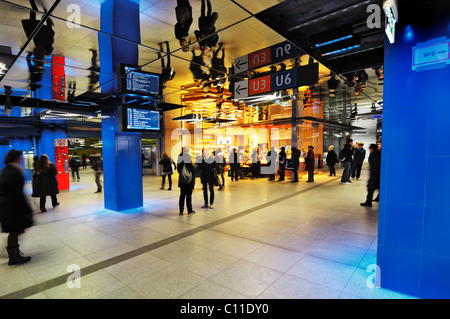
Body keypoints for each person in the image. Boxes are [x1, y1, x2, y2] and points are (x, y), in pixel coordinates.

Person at [0, 150, 34, 265]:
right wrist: (27, 209)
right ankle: (14, 257)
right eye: (20, 157)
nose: (21, 158)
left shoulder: (6, 169)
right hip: (12, 206)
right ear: (15, 158)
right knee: (15, 230)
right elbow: (17, 193)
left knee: (14, 230)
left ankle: (14, 254)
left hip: (7, 204)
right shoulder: (15, 171)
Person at [177, 147, 195, 215]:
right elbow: (190, 166)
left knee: (182, 195)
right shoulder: (187, 156)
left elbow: (178, 169)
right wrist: (194, 170)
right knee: (189, 195)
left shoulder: (179, 157)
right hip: (189, 179)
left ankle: (181, 210)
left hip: (182, 179)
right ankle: (189, 210)